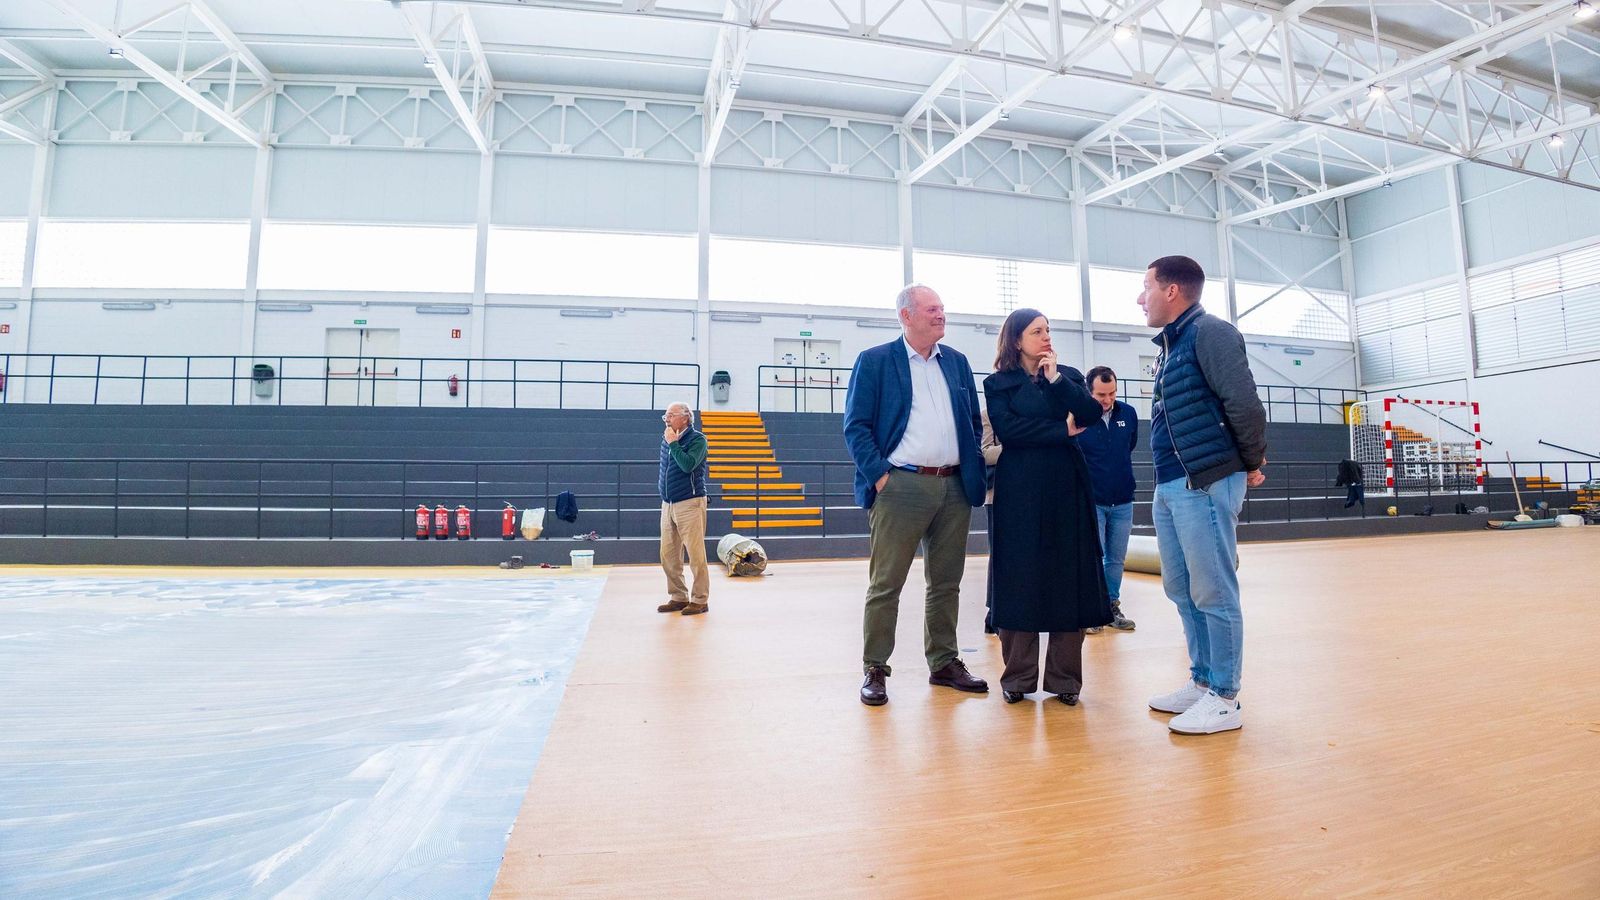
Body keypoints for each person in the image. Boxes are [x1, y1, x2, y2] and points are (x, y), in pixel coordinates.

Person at [1136, 256, 1267, 735]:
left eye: (1145, 286)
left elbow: (1244, 401)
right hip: (1172, 483)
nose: (1139, 297)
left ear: (1172, 291)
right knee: (1181, 587)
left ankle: (1226, 697)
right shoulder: (1171, 345)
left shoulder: (1210, 332)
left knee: (1213, 588)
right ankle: (1203, 680)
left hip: (1205, 480)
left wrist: (1251, 461)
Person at [844, 284, 990, 706]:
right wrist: (881, 477)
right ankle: (875, 668)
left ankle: (944, 662)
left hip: (954, 486)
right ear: (906, 316)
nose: (940, 315)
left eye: (942, 308)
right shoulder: (874, 362)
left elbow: (972, 425)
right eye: (931, 310)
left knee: (946, 582)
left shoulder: (958, 364)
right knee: (886, 583)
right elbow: (855, 426)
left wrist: (970, 469)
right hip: (900, 487)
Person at [983, 308, 1111, 706]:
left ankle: (1065, 682)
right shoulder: (998, 383)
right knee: (1020, 577)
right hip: (1019, 488)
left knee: (1067, 578)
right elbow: (1010, 431)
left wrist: (1055, 381)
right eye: (1037, 331)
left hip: (1066, 486)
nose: (1046, 337)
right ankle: (1017, 678)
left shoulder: (1068, 376)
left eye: (1049, 330)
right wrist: (1060, 429)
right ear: (1016, 339)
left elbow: (1091, 413)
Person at [1076, 366, 1138, 634]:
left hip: (1123, 500)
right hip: (1093, 501)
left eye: (1112, 393)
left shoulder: (1129, 414)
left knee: (1116, 558)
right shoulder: (1080, 417)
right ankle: (1092, 610)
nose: (1107, 399)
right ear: (1089, 391)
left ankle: (1111, 606)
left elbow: (1129, 445)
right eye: (1101, 394)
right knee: (1093, 557)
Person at [656, 402, 711, 616]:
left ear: (686, 418)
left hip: (690, 502)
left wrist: (673, 444)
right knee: (668, 554)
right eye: (666, 416)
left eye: (671, 415)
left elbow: (688, 465)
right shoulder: (667, 437)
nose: (667, 419)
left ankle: (700, 600)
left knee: (696, 555)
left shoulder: (698, 440)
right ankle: (678, 596)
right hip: (667, 503)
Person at [981, 408, 1002, 635]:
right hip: (997, 496)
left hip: (1028, 494)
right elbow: (984, 452)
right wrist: (1017, 443)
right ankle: (993, 612)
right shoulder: (988, 414)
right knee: (998, 555)